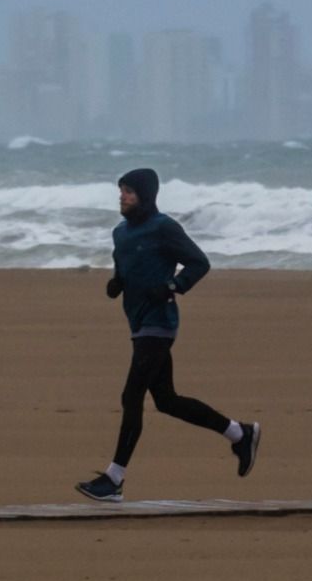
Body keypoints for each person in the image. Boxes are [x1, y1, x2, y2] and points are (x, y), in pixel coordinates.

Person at [76, 167, 260, 501]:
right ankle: (239, 433)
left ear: (145, 196)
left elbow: (199, 263)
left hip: (160, 324)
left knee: (132, 396)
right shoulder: (120, 233)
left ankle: (114, 478)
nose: (122, 196)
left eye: (129, 191)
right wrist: (117, 284)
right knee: (167, 401)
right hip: (138, 325)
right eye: (121, 190)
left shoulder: (164, 227)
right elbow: (124, 268)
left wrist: (173, 286)